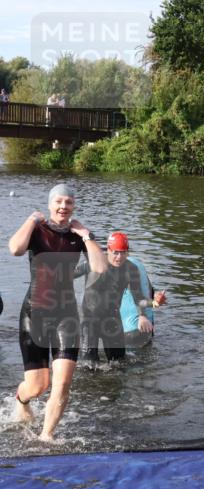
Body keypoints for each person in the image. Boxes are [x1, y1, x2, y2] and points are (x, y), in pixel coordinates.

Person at [8, 184, 107, 441]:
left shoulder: (77, 235)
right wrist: (31, 220)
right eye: (59, 202)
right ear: (51, 204)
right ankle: (22, 399)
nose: (64, 206)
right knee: (38, 386)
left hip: (66, 315)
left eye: (69, 202)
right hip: (35, 314)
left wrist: (86, 235)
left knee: (62, 382)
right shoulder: (38, 230)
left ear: (74, 206)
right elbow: (15, 249)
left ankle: (46, 436)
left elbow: (100, 267)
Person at [75, 232, 166, 365]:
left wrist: (155, 302)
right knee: (88, 365)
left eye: (123, 252)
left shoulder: (131, 269)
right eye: (115, 252)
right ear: (108, 250)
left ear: (127, 252)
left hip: (112, 318)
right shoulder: (93, 263)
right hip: (90, 319)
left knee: (119, 363)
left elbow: (138, 299)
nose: (119, 257)